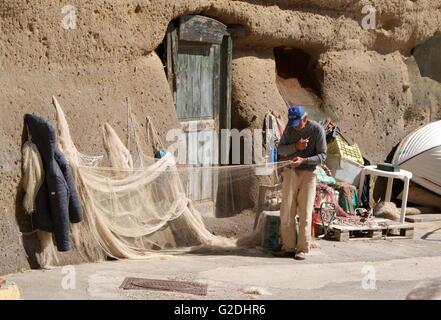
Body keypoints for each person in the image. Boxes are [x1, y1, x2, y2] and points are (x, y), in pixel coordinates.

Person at [275, 105, 327, 260]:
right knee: (287, 211)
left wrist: (304, 160)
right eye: (293, 124)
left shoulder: (317, 130)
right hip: (290, 173)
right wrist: (295, 147)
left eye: (298, 123)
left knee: (305, 213)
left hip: (308, 174)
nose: (296, 127)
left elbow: (323, 155)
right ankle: (288, 247)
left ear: (305, 119)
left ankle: (302, 248)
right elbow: (280, 149)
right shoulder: (290, 129)